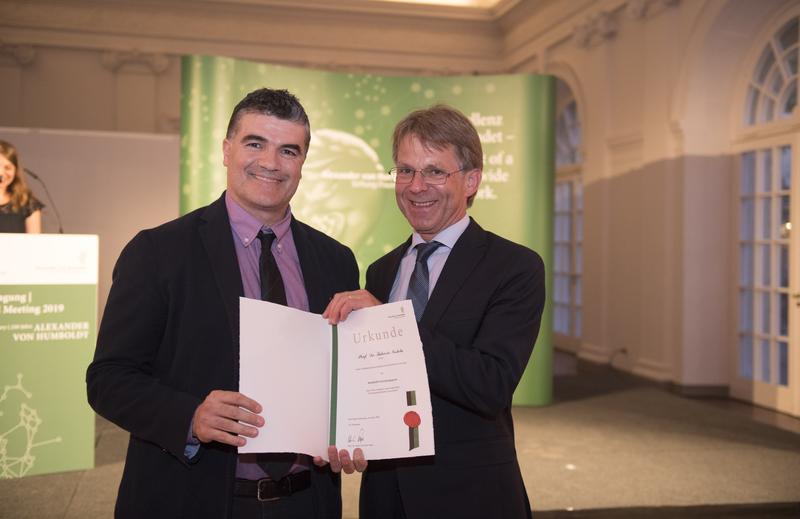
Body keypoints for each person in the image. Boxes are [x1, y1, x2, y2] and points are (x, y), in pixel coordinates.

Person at [87, 88, 360, 519]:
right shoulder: (158, 252)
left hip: (308, 500)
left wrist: (353, 428)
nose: (271, 162)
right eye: (255, 143)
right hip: (191, 496)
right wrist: (190, 416)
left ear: (303, 165)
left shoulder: (335, 260)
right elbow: (108, 378)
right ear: (227, 149)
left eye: (289, 150)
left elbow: (340, 380)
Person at [323, 104, 545, 518]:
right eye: (405, 170)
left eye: (434, 171)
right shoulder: (382, 269)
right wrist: (339, 432)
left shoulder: (514, 267)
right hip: (385, 496)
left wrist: (390, 326)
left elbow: (490, 384)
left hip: (471, 494)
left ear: (471, 180)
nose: (416, 185)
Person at [0, 140, 43, 233]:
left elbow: (34, 244)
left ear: (16, 171)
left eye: (7, 168)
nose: (1, 173)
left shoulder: (27, 204)